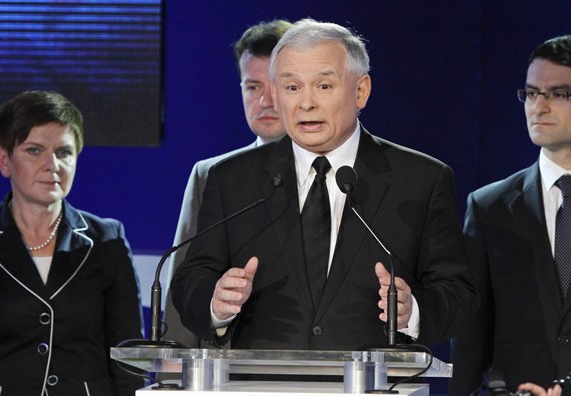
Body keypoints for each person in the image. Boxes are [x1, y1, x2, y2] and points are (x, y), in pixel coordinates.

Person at [171, 18, 477, 351]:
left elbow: (458, 295)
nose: (306, 103)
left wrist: (412, 311)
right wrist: (216, 304)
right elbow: (191, 281)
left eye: (324, 86)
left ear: (361, 91)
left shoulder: (421, 180)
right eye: (292, 88)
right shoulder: (232, 180)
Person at [449, 35, 571, 395]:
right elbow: (471, 336)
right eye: (532, 93)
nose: (539, 107)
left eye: (559, 94)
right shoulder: (489, 207)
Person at [0, 91, 144, 395]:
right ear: (4, 159)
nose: (52, 164)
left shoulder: (108, 239)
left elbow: (127, 353)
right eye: (34, 150)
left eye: (64, 152)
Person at [163, 19, 292, 348]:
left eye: (276, 87)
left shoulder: (340, 172)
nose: (265, 101)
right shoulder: (211, 174)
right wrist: (172, 378)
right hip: (228, 365)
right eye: (252, 87)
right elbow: (185, 284)